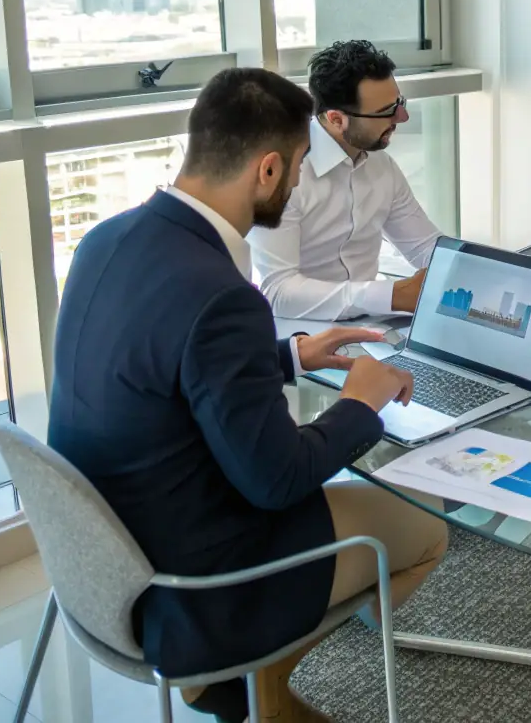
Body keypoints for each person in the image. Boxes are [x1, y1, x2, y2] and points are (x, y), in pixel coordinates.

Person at [49, 68, 448, 723]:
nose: (296, 185)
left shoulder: (108, 239)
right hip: (200, 583)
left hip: (109, 553)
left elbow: (165, 369)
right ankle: (263, 675)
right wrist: (360, 403)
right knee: (427, 525)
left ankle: (251, 680)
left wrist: (286, 356)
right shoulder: (221, 293)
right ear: (266, 170)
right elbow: (278, 480)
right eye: (294, 169)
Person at [250, 40, 443, 322]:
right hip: (300, 337)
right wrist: (388, 295)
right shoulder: (283, 175)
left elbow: (426, 248)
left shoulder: (381, 166)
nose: (402, 117)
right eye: (386, 111)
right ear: (336, 119)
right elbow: (279, 293)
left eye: (399, 103)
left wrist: (493, 275)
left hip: (372, 326)